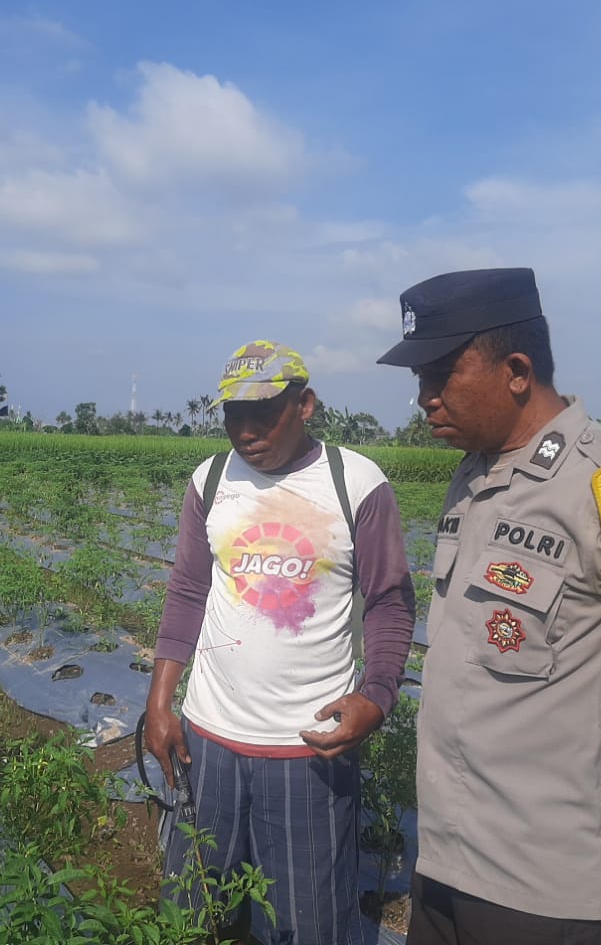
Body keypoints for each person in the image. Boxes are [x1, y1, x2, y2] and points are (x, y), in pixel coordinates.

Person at [377, 268, 601, 945]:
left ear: (516, 370)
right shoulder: (474, 475)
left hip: (544, 887)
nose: (424, 399)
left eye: (439, 376)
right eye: (418, 382)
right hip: (445, 858)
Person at [143, 340, 416, 945]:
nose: (246, 431)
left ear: (306, 404)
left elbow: (391, 602)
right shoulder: (211, 480)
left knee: (303, 924)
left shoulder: (355, 484)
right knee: (192, 911)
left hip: (307, 750)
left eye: (263, 413)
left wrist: (377, 697)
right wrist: (160, 703)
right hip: (207, 741)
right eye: (233, 415)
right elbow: (188, 591)